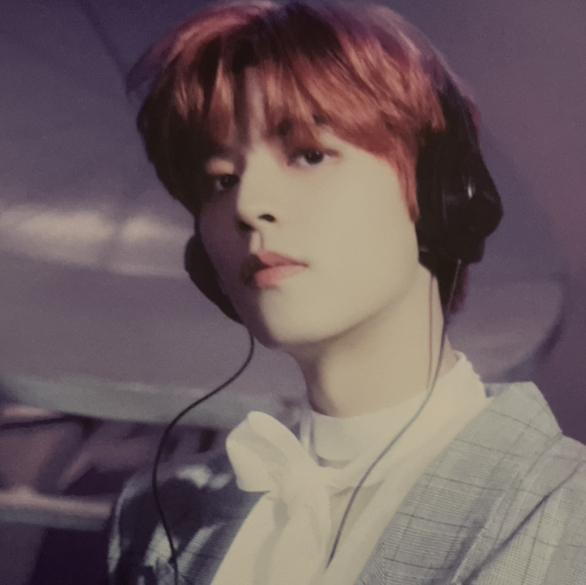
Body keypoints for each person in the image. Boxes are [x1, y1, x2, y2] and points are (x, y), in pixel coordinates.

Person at [108, 1, 586, 584]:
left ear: (442, 199)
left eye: (310, 154)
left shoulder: (565, 512)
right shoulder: (156, 515)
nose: (248, 204)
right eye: (221, 180)